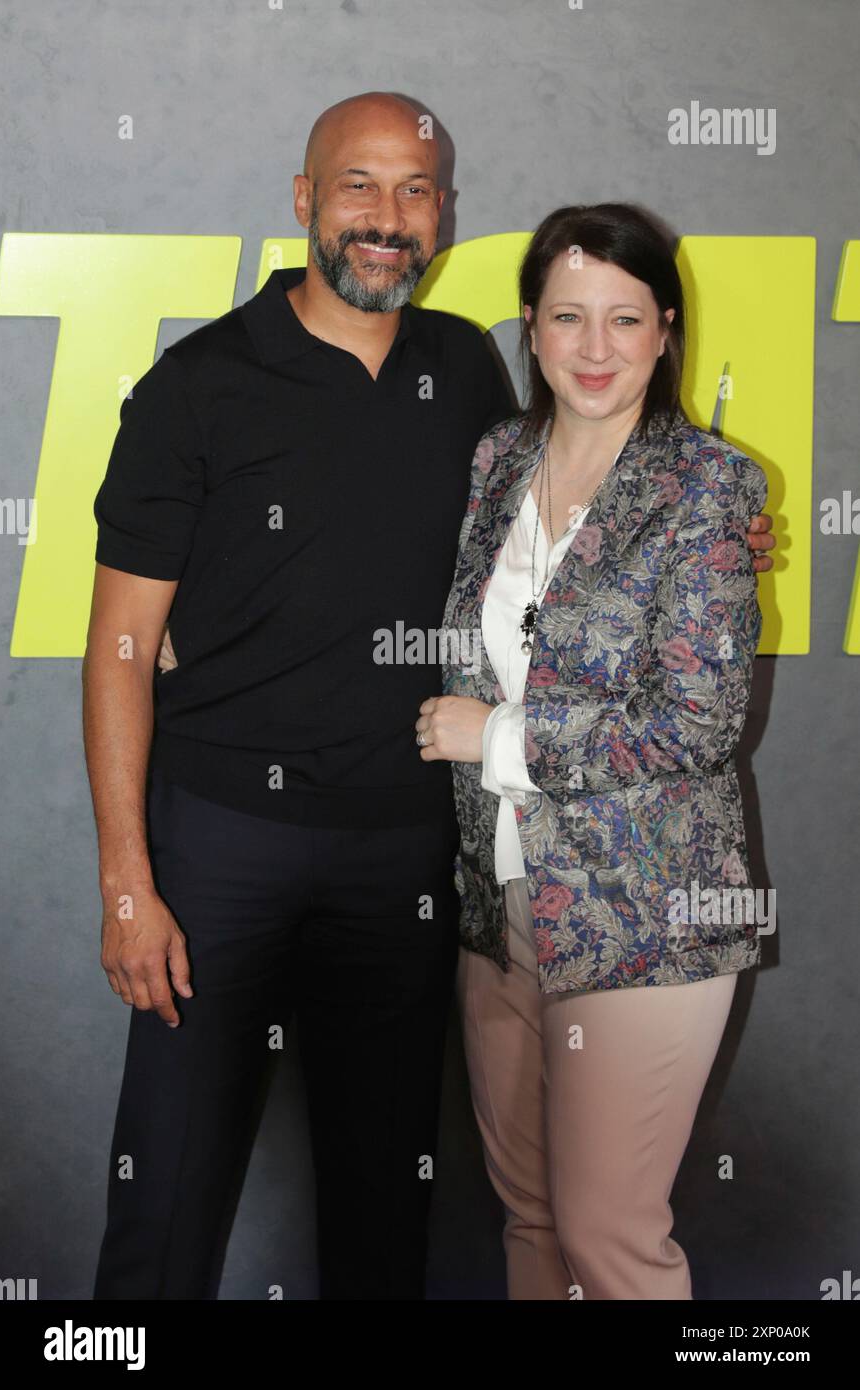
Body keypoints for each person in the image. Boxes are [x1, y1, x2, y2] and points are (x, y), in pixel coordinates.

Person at [84, 91, 774, 1302]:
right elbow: (120, 651)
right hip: (222, 847)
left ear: (441, 218)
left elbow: (586, 516)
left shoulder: (461, 370)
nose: (387, 218)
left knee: (384, 1208)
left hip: (411, 860)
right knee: (169, 1195)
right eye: (358, 185)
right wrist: (129, 884)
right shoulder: (195, 387)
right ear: (304, 201)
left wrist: (722, 527)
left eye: (415, 192)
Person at [418, 202, 768, 1299]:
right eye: (567, 317)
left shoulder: (706, 486)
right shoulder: (494, 461)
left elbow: (698, 721)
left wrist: (500, 739)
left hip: (644, 915)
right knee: (526, 1217)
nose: (595, 348)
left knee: (608, 1237)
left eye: (624, 319)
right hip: (500, 902)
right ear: (530, 326)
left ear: (664, 330)